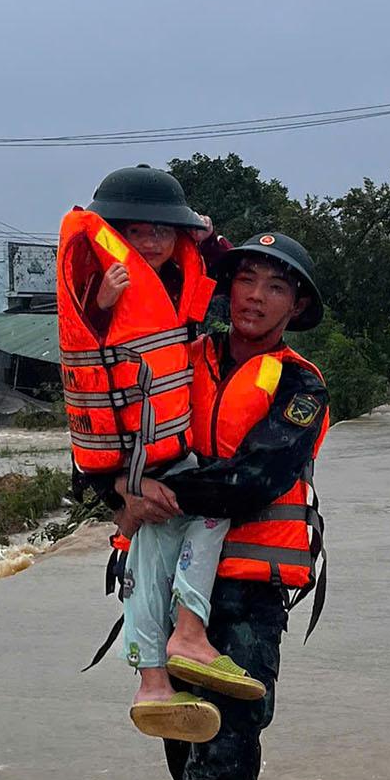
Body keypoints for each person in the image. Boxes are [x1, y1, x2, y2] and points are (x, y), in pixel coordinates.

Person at [113, 232, 329, 780]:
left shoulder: (301, 387)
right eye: (246, 278)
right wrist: (119, 489)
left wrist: (152, 492)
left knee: (222, 774)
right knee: (194, 772)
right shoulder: (175, 357)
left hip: (245, 603)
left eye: (278, 286)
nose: (257, 295)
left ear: (297, 308)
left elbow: (257, 479)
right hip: (165, 594)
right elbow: (109, 435)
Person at [58, 165, 264, 747]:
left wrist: (209, 239)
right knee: (201, 520)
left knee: (151, 559)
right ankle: (187, 636)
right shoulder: (100, 279)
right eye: (137, 231)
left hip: (159, 458)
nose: (150, 242)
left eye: (163, 232)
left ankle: (152, 682)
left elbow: (227, 273)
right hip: (131, 461)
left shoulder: (183, 280)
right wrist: (122, 491)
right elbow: (86, 343)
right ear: (114, 232)